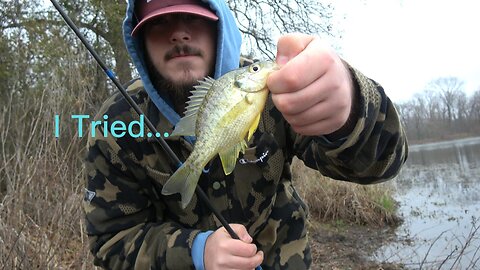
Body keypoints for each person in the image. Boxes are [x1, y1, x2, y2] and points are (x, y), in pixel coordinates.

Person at [83, 0, 408, 269]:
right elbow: (110, 241)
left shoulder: (271, 88)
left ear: (218, 25)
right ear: (139, 39)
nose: (179, 34)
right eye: (160, 21)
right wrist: (194, 252)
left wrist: (350, 111)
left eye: (193, 18)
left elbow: (381, 165)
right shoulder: (117, 122)